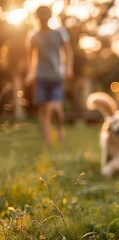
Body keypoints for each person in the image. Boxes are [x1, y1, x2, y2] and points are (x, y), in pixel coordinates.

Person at [25, 5, 74, 144]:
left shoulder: (59, 33)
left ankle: (59, 129)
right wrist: (30, 73)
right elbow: (30, 56)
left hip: (56, 76)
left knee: (56, 108)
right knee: (44, 109)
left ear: (50, 15)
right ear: (36, 16)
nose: (43, 15)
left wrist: (69, 67)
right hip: (41, 76)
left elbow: (68, 50)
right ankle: (47, 141)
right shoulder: (33, 36)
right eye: (40, 13)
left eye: (45, 13)